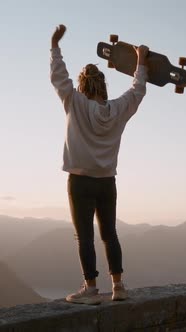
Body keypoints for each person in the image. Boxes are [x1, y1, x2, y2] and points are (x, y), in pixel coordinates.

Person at [49, 24, 148, 304]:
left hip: (80, 180)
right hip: (107, 181)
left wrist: (55, 46)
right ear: (103, 86)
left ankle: (91, 290)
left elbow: (59, 78)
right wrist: (140, 59)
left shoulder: (75, 103)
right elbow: (138, 90)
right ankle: (118, 286)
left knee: (85, 237)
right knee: (110, 234)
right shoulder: (118, 110)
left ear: (82, 86)